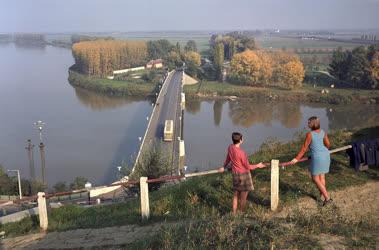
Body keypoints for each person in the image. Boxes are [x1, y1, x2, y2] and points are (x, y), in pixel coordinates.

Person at [218, 132, 265, 215]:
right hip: (244, 175)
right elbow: (248, 167)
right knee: (243, 197)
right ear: (240, 140)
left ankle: (234, 213)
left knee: (236, 195)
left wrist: (224, 166)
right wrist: (258, 165)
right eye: (242, 138)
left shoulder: (230, 147)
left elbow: (228, 158)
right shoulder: (242, 153)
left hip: (235, 174)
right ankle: (242, 214)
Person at [290, 116, 332, 206]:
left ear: (313, 124)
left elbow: (304, 148)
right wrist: (323, 150)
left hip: (318, 157)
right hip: (326, 155)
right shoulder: (323, 132)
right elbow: (328, 144)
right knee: (322, 177)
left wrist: (296, 159)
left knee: (315, 178)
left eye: (309, 122)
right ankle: (322, 196)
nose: (307, 124)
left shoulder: (310, 134)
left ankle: (328, 199)